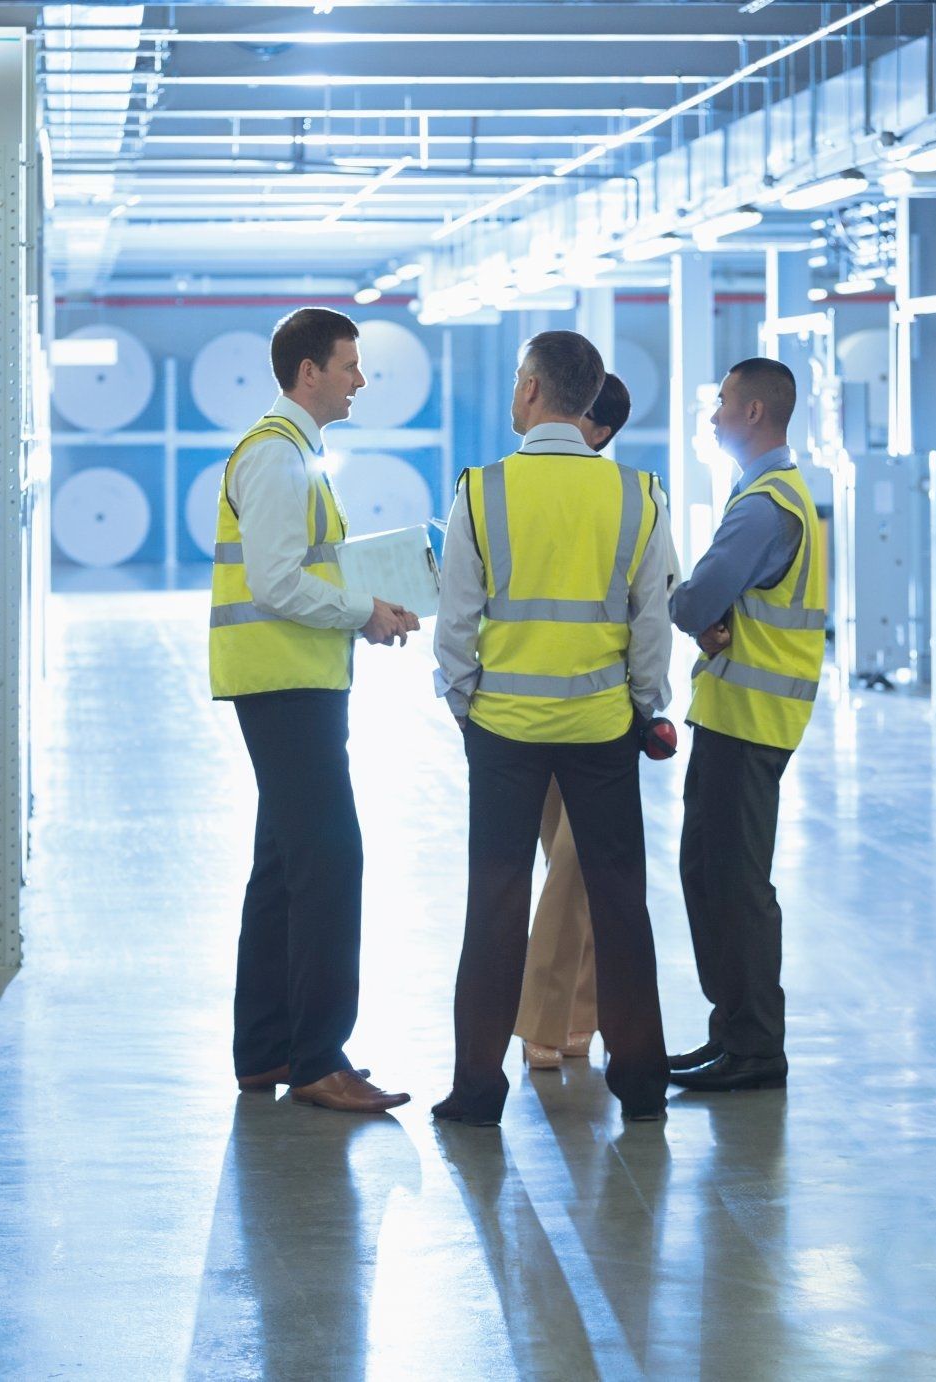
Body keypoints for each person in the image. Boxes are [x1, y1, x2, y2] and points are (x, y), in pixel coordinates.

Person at [431, 331, 676, 1126]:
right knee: (620, 902)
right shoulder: (638, 494)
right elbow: (652, 624)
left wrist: (465, 703)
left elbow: (456, 620)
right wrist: (644, 705)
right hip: (605, 725)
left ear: (532, 390)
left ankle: (476, 1091)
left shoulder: (483, 489)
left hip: (502, 727)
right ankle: (640, 1083)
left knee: (495, 901)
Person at [210, 306, 417, 1114]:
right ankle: (319, 1059)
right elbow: (277, 583)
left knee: (284, 867)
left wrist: (366, 607)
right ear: (309, 373)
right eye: (350, 365)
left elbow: (302, 575)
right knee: (332, 860)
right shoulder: (274, 457)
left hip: (296, 679)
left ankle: (264, 1051)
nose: (360, 380)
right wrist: (363, 611)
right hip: (283, 684)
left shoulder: (298, 453)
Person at [667, 358, 825, 1093]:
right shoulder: (773, 493)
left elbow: (696, 601)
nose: (715, 413)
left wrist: (692, 612)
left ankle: (756, 1047)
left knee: (735, 882)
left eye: (724, 401)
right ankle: (731, 1031)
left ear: (756, 412)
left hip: (749, 717)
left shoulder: (766, 504)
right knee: (709, 872)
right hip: (741, 713)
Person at [514, 372, 633, 1071]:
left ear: (597, 429)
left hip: (589, 709)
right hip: (536, 708)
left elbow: (653, 600)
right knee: (572, 866)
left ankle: (550, 1019)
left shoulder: (622, 496)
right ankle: (574, 1015)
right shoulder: (516, 485)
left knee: (574, 866)